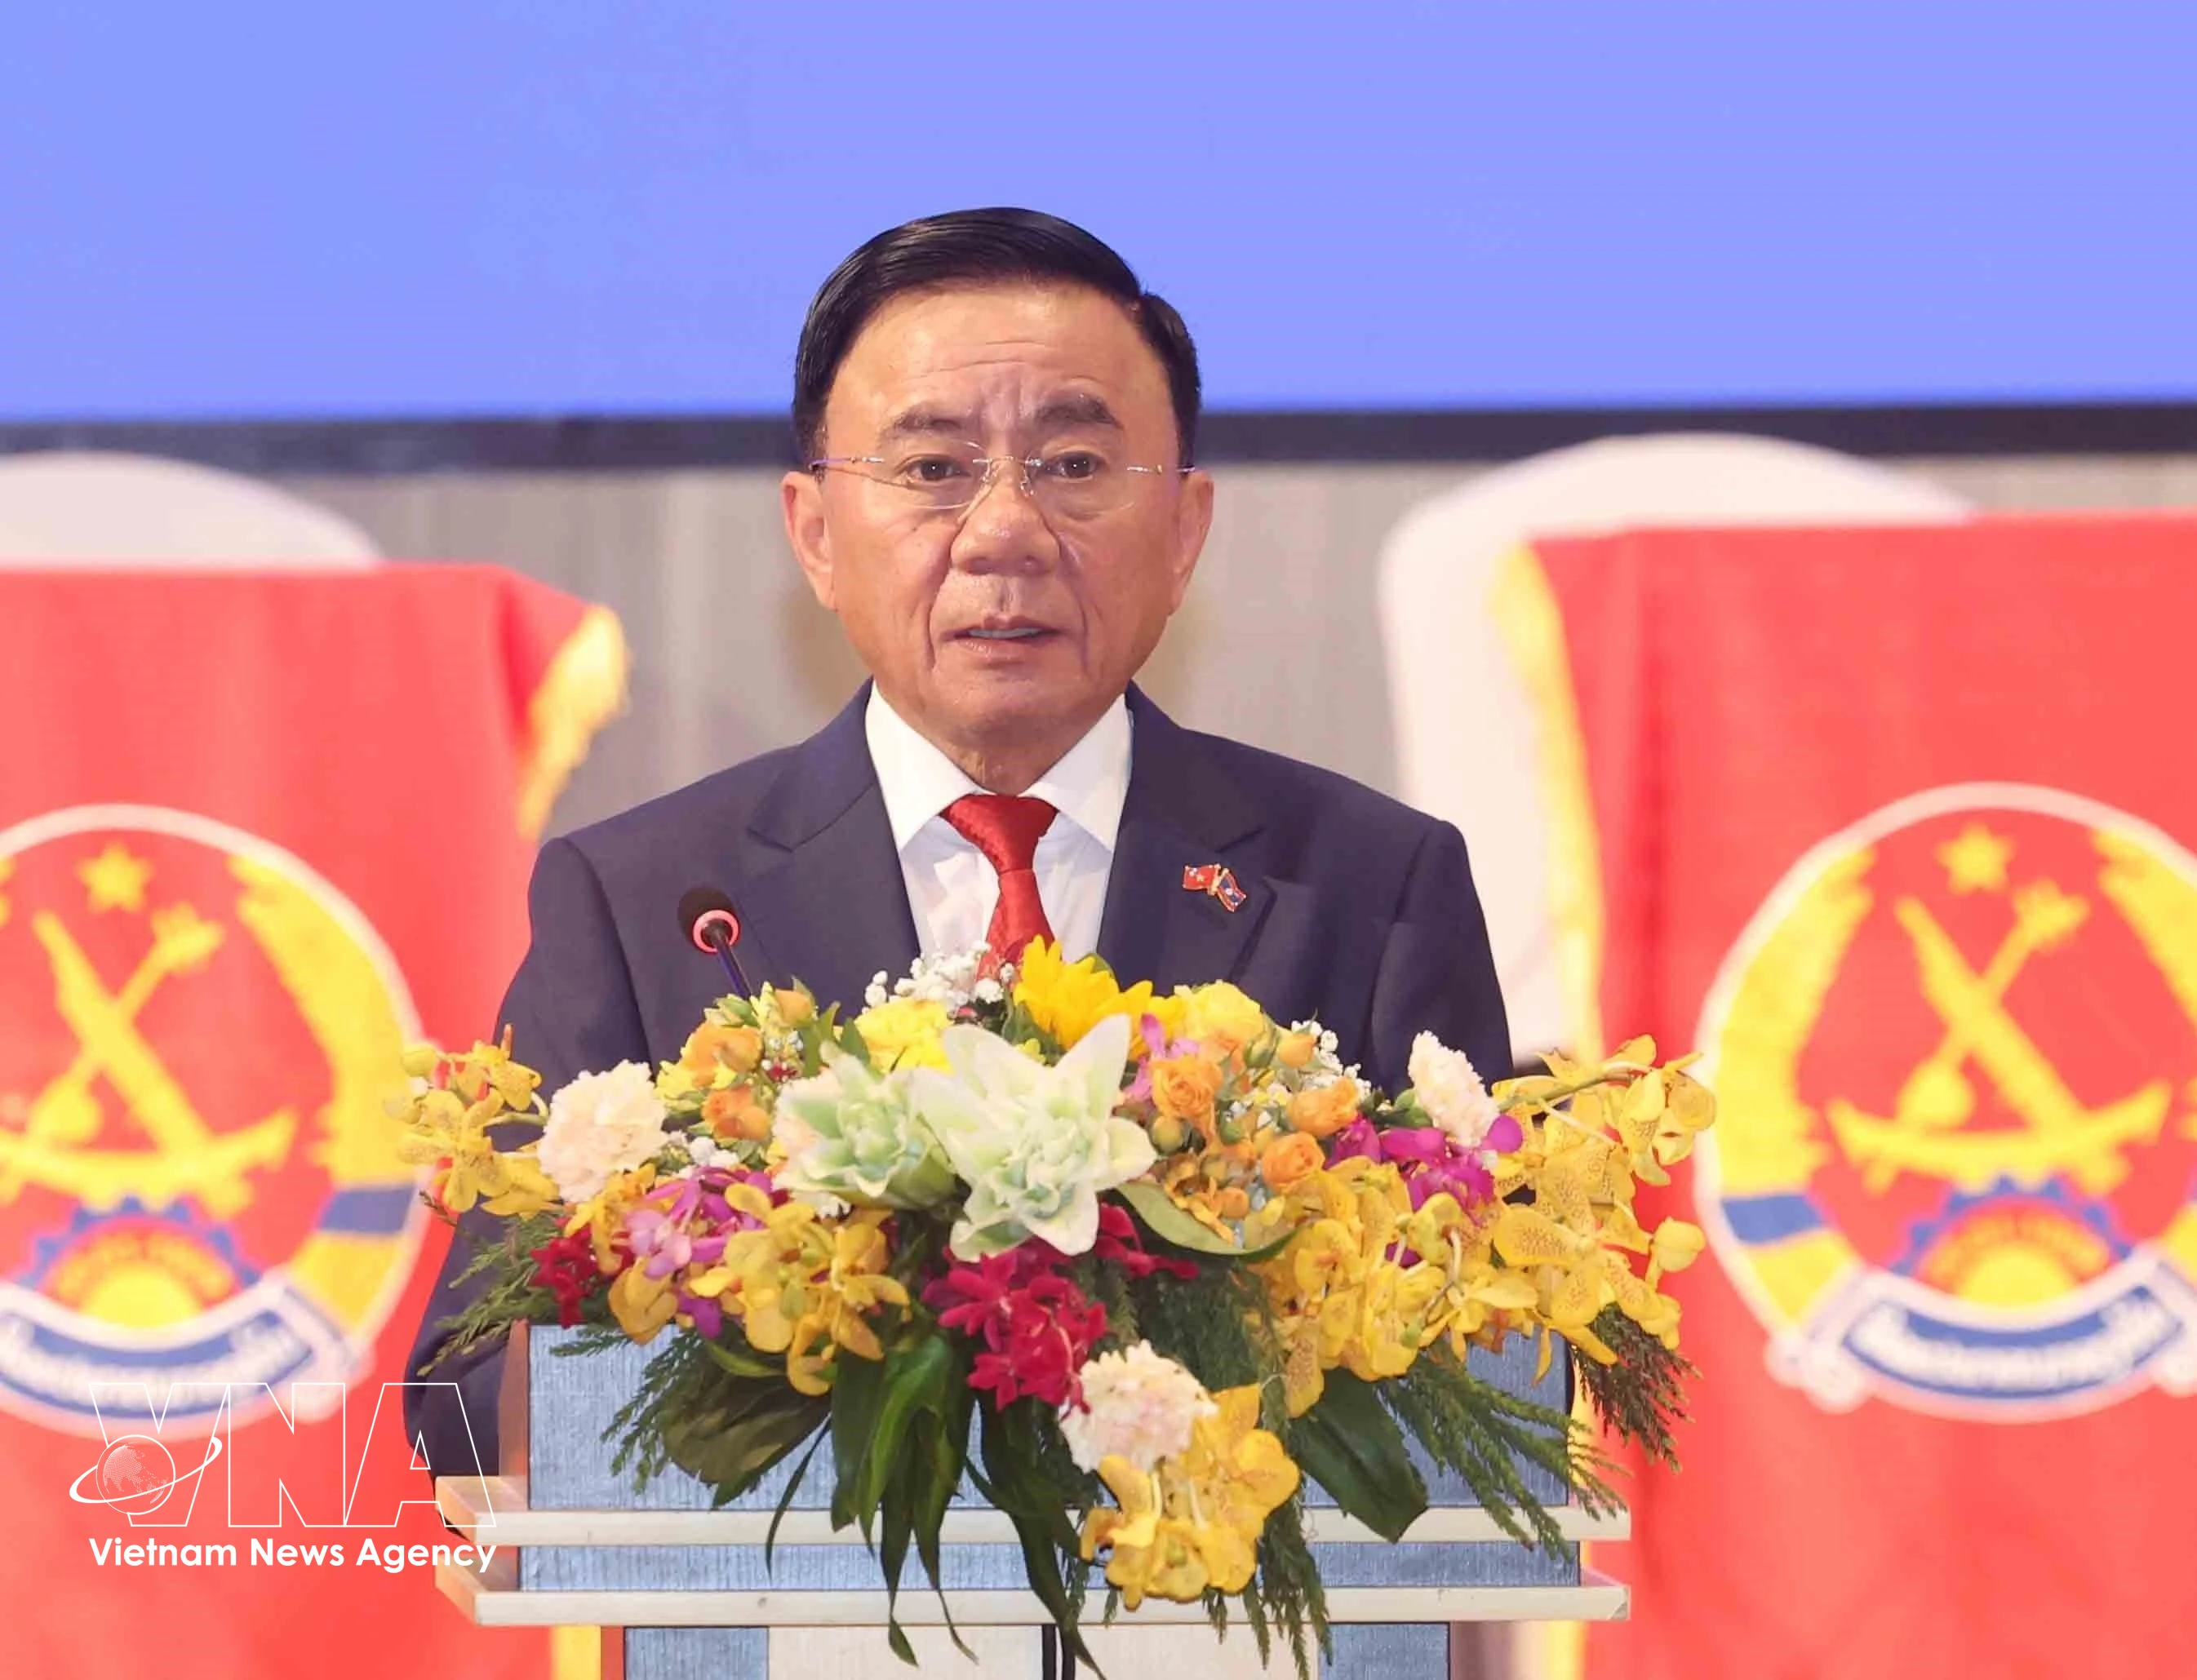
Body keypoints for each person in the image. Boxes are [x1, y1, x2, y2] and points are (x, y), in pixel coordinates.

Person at [405, 207, 1507, 1476]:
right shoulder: (646, 902)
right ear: (815, 531)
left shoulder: (1371, 889)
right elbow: (461, 1394)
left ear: (1186, 531)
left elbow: (1494, 1371)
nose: (1003, 531)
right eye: (932, 469)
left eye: (1076, 466)